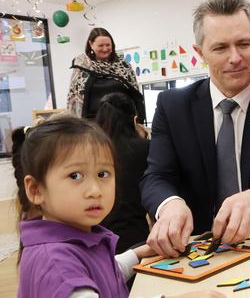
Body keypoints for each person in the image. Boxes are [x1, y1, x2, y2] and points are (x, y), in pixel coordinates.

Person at [141, 0, 250, 257]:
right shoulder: (173, 107)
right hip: (194, 249)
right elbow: (157, 176)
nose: (235, 58)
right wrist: (171, 205)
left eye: (244, 44)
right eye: (220, 48)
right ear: (200, 53)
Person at [14, 116, 222, 298]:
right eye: (75, 176)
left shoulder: (74, 237)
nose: (95, 190)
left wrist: (140, 253)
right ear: (36, 190)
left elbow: (104, 272)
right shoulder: (56, 265)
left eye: (103, 174)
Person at [95, 92, 150, 254]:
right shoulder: (145, 149)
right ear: (134, 120)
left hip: (97, 238)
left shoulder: (91, 152)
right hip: (135, 239)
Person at [67, 27, 146, 123]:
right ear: (91, 44)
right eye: (100, 45)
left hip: (122, 122)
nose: (105, 49)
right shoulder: (82, 65)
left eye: (108, 45)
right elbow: (74, 98)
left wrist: (139, 121)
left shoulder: (123, 66)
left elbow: (135, 95)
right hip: (92, 124)